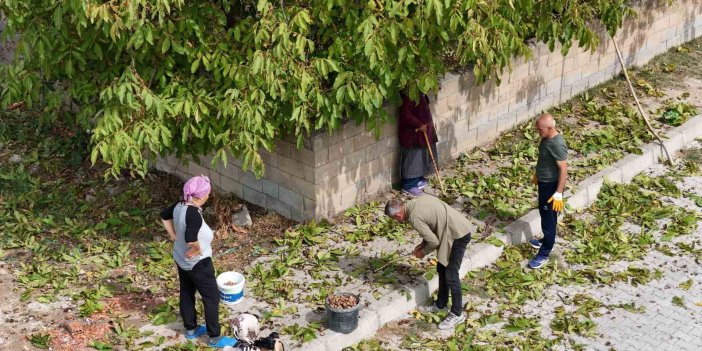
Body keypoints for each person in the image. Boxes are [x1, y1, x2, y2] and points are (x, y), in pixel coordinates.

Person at [160, 175, 237, 348]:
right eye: (208, 194)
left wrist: (173, 236)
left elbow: (164, 215)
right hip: (198, 264)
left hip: (181, 259)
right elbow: (190, 236)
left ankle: (191, 329)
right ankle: (214, 337)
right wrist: (196, 249)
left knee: (187, 292)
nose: (209, 196)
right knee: (211, 297)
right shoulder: (193, 214)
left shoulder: (180, 205)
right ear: (201, 196)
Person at [385, 194, 474, 330]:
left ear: (398, 216)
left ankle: (457, 314)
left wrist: (423, 252)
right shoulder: (419, 199)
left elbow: (434, 241)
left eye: (396, 220)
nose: (398, 221)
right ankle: (441, 304)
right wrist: (422, 244)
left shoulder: (414, 218)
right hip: (453, 229)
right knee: (441, 268)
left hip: (457, 235)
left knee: (451, 275)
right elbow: (432, 225)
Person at [528, 113, 568, 269]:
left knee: (548, 221)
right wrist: (538, 174)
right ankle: (546, 241)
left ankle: (544, 253)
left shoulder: (557, 144)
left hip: (551, 187)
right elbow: (544, 159)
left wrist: (558, 193)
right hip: (544, 182)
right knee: (546, 215)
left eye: (540, 130)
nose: (539, 132)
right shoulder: (547, 139)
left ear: (550, 128)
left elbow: (563, 170)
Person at [398, 91, 439, 196]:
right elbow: (406, 114)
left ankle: (417, 179)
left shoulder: (421, 93)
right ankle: (409, 184)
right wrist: (419, 124)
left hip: (424, 133)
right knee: (413, 159)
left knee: (422, 157)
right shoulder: (409, 96)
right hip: (413, 135)